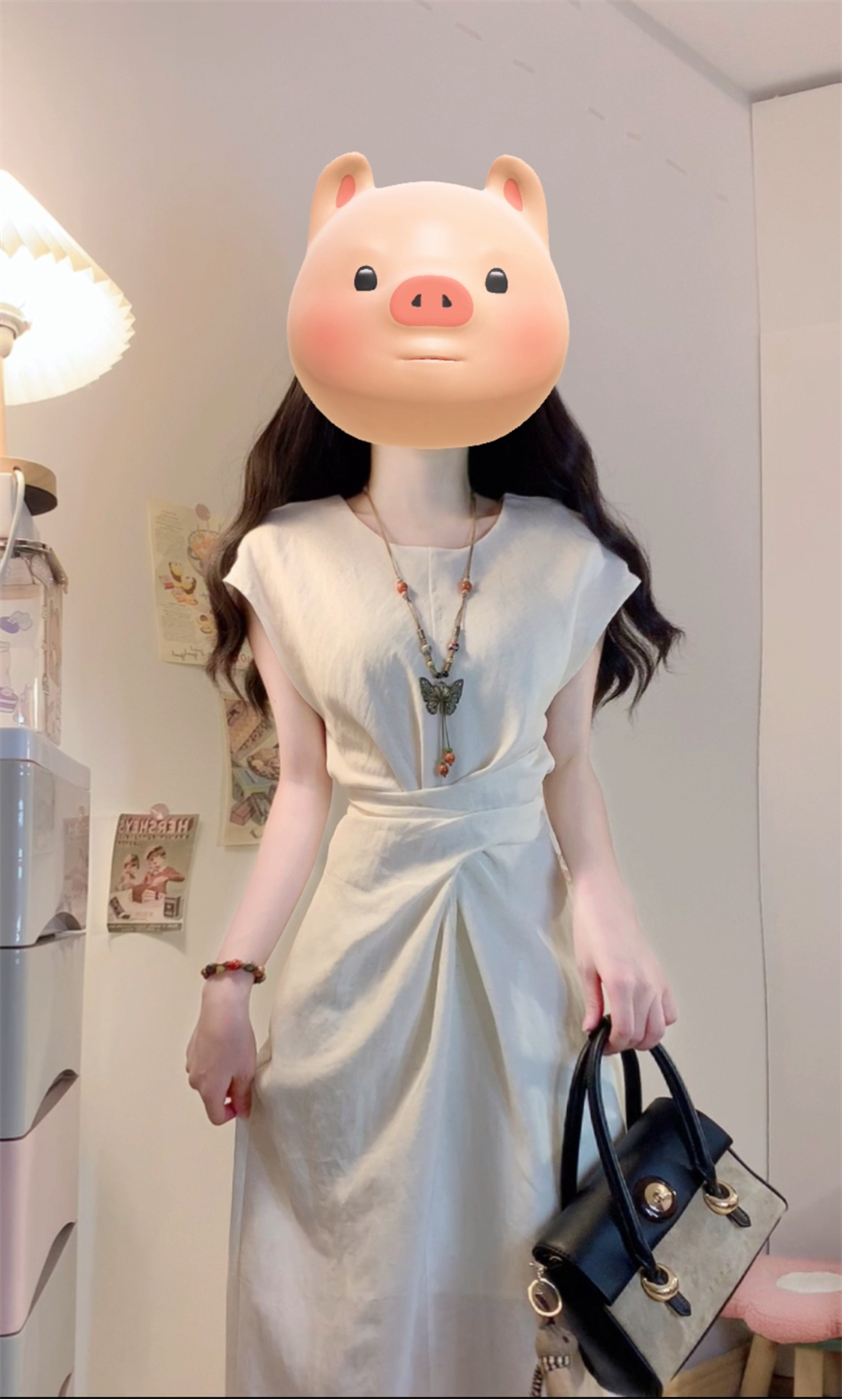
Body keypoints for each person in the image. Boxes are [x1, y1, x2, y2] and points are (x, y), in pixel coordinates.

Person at [187, 152, 682, 1398]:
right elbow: (304, 787)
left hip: (516, 950)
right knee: (336, 1279)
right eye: (379, 279)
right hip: (351, 958)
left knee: (514, 1252)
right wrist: (229, 982)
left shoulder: (562, 555)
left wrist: (610, 913)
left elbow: (567, 767)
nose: (428, 301)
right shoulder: (283, 558)